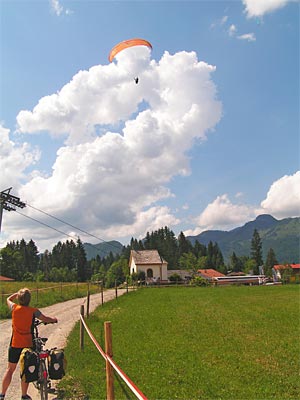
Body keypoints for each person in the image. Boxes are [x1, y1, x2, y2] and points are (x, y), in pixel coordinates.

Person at [0, 288, 58, 400]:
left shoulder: (14, 308)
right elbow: (45, 318)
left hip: (15, 343)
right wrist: (54, 319)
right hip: (28, 344)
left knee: (10, 369)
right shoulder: (33, 311)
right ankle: (24, 395)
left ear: (19, 299)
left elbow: (8, 299)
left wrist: (15, 294)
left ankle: (2, 394)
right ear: (29, 300)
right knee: (26, 369)